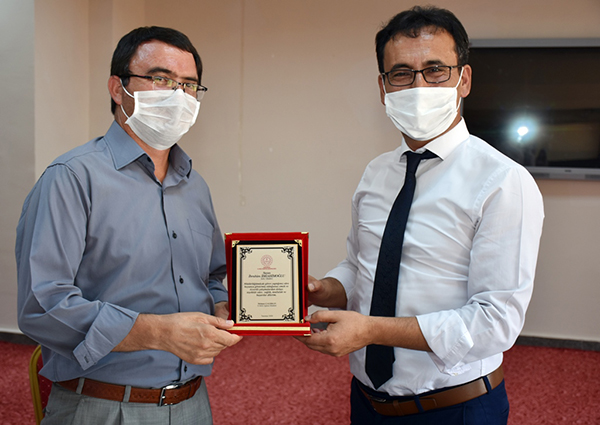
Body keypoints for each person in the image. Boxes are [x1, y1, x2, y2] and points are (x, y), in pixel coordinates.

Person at [298, 6, 544, 425]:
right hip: (367, 401)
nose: (419, 86)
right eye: (401, 73)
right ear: (383, 88)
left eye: (435, 70)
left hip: (457, 408)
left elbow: (495, 322)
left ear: (463, 79)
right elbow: (362, 267)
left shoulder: (503, 181)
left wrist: (372, 330)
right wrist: (325, 288)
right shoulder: (376, 173)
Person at [16, 26, 242, 424]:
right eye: (161, 79)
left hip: (192, 402)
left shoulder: (194, 186)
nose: (178, 95)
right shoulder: (72, 178)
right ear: (117, 89)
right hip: (102, 405)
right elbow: (42, 305)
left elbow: (211, 275)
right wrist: (157, 332)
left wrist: (220, 302)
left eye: (189, 85)